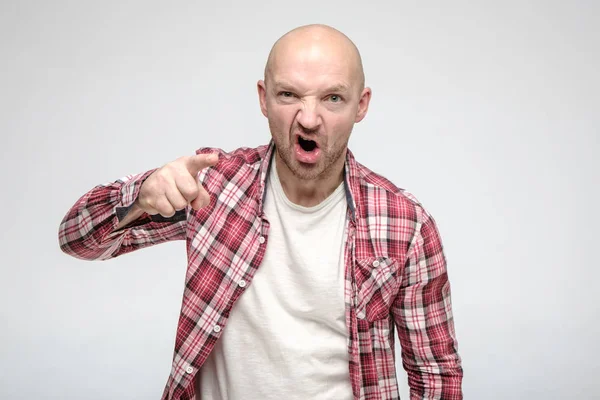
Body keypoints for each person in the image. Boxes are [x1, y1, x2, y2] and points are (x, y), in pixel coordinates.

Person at [59, 24, 463, 400]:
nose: (308, 118)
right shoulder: (212, 187)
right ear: (263, 99)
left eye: (333, 98)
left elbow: (436, 375)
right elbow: (76, 240)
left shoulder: (404, 224)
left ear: (362, 105)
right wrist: (140, 195)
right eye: (289, 95)